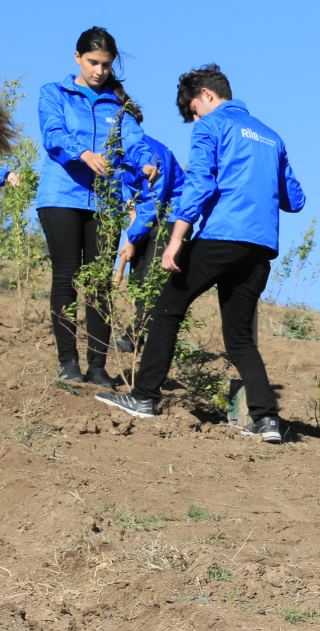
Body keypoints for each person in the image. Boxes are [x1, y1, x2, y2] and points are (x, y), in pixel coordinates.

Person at [96, 65, 305, 443]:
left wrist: (176, 238)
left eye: (193, 111)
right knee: (240, 337)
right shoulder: (272, 137)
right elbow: (295, 199)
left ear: (206, 96)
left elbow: (200, 183)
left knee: (167, 309)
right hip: (259, 249)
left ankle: (144, 397)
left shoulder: (211, 127)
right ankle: (267, 420)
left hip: (220, 237)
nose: (194, 119)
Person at [36, 27, 155, 387]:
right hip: (61, 197)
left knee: (101, 283)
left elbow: (135, 141)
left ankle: (99, 367)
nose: (99, 70)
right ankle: (68, 362)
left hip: (104, 202)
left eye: (105, 64)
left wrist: (146, 161)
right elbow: (53, 134)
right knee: (67, 277)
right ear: (77, 58)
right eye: (92, 62)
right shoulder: (53, 93)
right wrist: (83, 153)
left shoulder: (119, 104)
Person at [115, 133, 185, 352]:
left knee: (152, 280)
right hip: (145, 217)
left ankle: (140, 339)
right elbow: (124, 185)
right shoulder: (118, 152)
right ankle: (139, 335)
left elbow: (155, 202)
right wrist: (131, 210)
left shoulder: (153, 155)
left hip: (170, 219)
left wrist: (132, 238)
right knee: (137, 279)